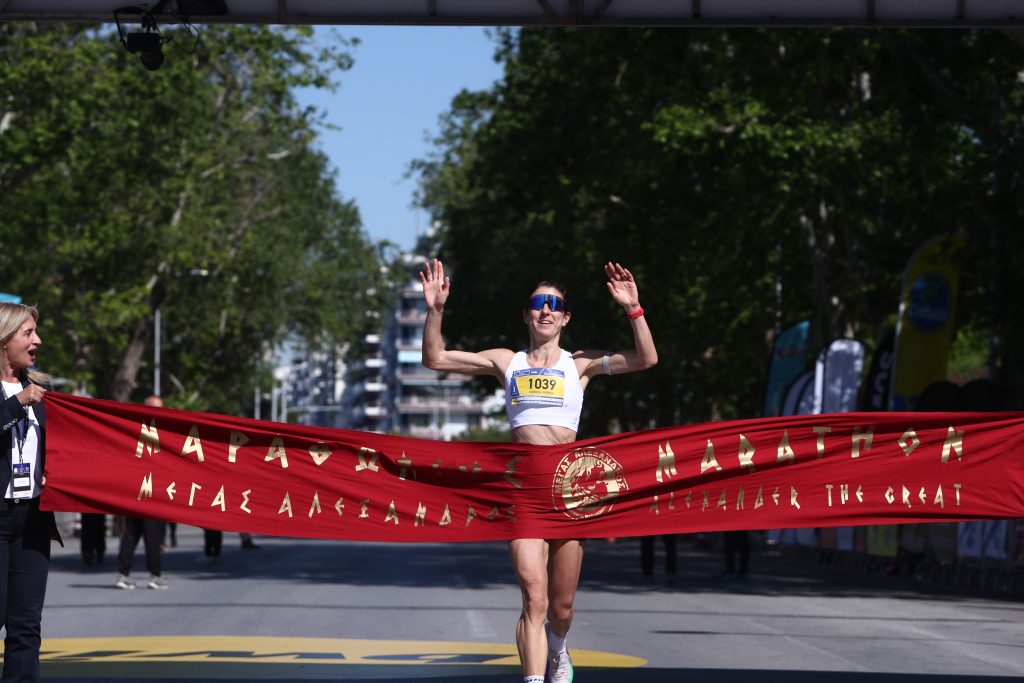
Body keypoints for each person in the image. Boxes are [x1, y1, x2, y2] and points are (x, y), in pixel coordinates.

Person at [420, 259, 657, 683]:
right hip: (524, 493)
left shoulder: (579, 364)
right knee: (535, 598)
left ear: (565, 317)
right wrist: (435, 310)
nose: (545, 310)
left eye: (554, 305)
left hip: (569, 492)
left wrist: (633, 309)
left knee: (561, 608)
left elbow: (646, 358)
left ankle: (560, 648)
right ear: (527, 314)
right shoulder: (506, 361)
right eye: (537, 303)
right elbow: (435, 359)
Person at [0, 302, 59, 682]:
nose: (37, 340)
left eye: (36, 332)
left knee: (26, 627)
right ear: (3, 340)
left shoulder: (43, 390)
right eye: (28, 333)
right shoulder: (24, 397)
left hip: (34, 518)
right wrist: (16, 404)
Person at [114, 395, 168, 590]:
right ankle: (154, 575)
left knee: (132, 534)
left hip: (139, 489)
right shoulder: (153, 431)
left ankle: (124, 574)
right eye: (156, 408)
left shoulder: (135, 429)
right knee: (147, 534)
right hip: (146, 490)